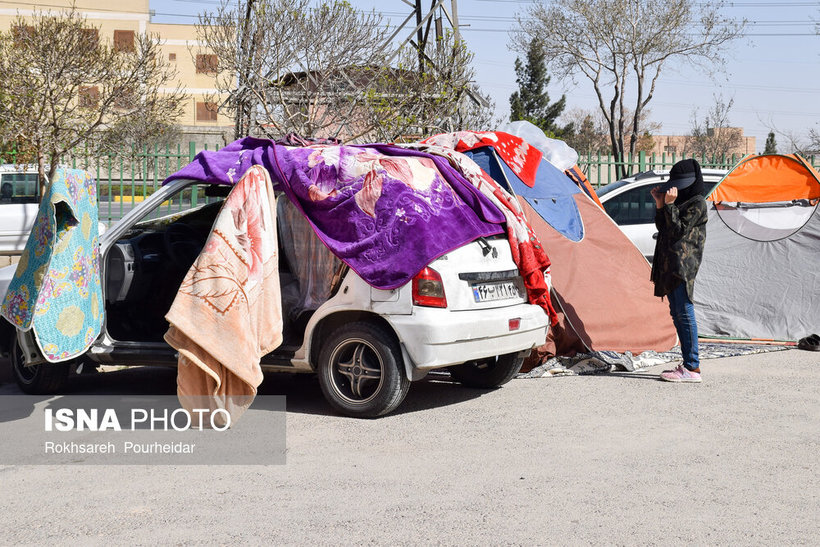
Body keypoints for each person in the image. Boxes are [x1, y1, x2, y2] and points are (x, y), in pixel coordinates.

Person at [650, 158, 708, 383]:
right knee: (677, 313)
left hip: (683, 266)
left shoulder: (697, 203)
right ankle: (688, 365)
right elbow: (663, 227)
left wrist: (671, 205)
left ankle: (692, 368)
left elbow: (677, 231)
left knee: (684, 313)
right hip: (670, 265)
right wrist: (660, 204)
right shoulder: (683, 200)